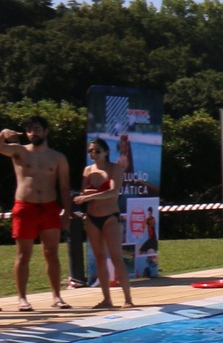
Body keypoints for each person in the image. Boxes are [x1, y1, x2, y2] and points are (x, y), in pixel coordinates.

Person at [0, 117, 72, 312]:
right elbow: (1, 148)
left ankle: (57, 296)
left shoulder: (57, 158)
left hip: (49, 207)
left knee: (52, 253)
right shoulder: (19, 151)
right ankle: (22, 298)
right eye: (30, 130)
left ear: (46, 132)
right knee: (23, 254)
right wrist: (2, 135)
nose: (33, 133)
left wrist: (67, 212)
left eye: (37, 129)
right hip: (25, 207)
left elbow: (64, 187)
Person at [77, 138, 132, 309]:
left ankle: (128, 299)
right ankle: (106, 299)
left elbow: (113, 192)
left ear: (106, 152)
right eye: (91, 151)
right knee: (100, 258)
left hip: (110, 217)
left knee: (116, 258)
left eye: (97, 151)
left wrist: (89, 196)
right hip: (92, 217)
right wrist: (87, 194)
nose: (93, 154)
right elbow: (83, 191)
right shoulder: (88, 170)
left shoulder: (114, 168)